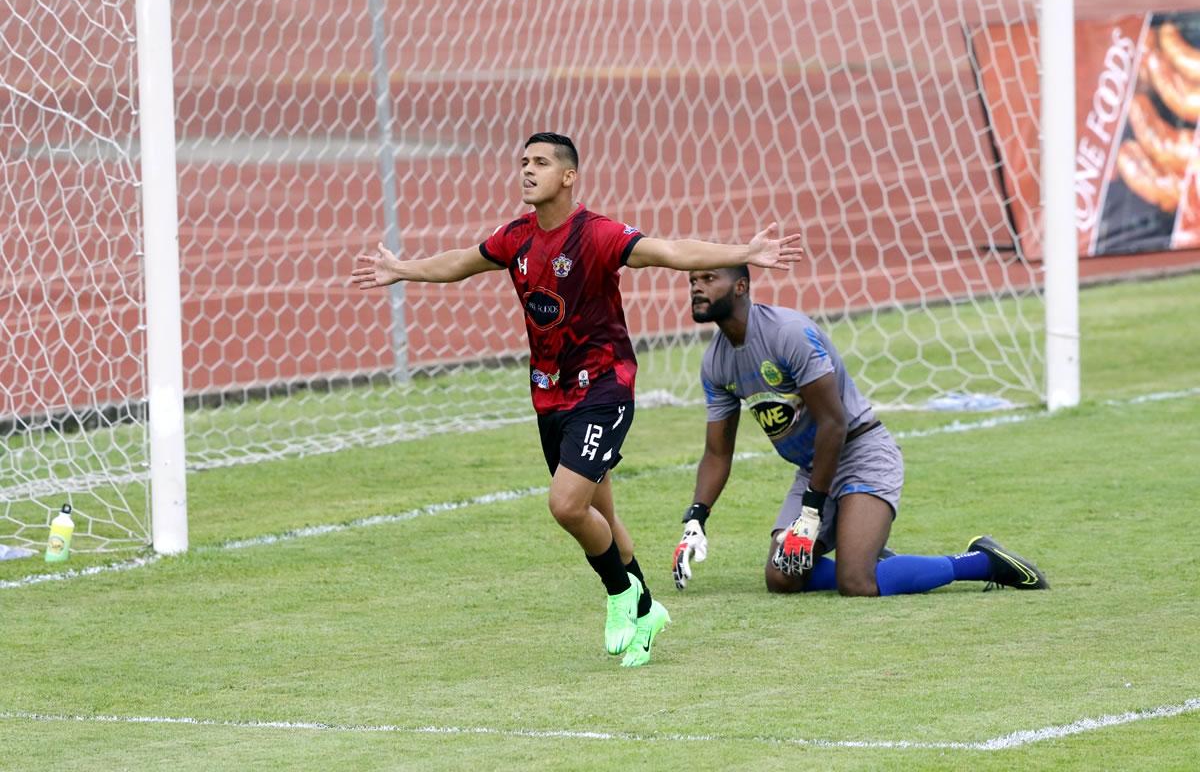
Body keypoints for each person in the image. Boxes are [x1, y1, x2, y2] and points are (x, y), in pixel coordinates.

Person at [352, 133, 803, 666]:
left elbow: (669, 252)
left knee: (566, 506)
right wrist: (404, 269)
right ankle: (648, 611)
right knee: (602, 520)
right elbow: (461, 262)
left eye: (540, 163)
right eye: (523, 162)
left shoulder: (596, 234)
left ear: (568, 176)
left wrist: (744, 253)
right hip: (549, 396)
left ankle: (620, 596)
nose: (527, 170)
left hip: (604, 388)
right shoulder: (515, 237)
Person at [671, 265, 1050, 596]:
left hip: (861, 452)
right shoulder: (715, 363)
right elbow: (717, 452)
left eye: (708, 278)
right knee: (782, 576)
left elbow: (833, 423)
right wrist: (695, 519)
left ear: (740, 287)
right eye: (692, 280)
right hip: (815, 468)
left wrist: (811, 512)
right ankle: (879, 560)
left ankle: (981, 562)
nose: (696, 287)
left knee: (857, 582)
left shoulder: (788, 333)